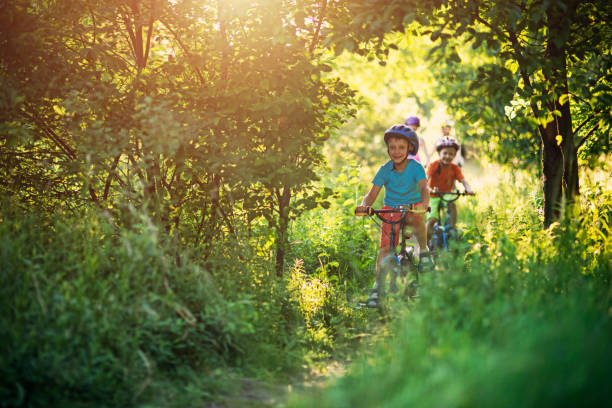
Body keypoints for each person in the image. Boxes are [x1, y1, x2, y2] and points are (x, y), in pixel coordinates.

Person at [355, 124, 431, 307]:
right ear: (388, 148)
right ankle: (377, 290)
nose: (396, 152)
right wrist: (365, 206)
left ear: (410, 148)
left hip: (412, 208)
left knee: (417, 220)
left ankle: (424, 250)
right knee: (384, 250)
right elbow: (372, 194)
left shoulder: (416, 167)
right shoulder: (385, 169)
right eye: (392, 147)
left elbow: (423, 189)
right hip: (390, 210)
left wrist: (423, 204)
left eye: (401, 147)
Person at [426, 136, 474, 243]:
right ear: (439, 153)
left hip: (446, 193)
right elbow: (425, 180)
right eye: (445, 153)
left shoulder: (455, 168)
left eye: (451, 154)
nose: (448, 156)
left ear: (455, 155)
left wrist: (468, 189)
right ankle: (424, 245)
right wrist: (428, 189)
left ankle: (452, 229)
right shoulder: (433, 165)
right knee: (431, 220)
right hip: (433, 195)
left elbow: (463, 180)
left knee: (452, 204)